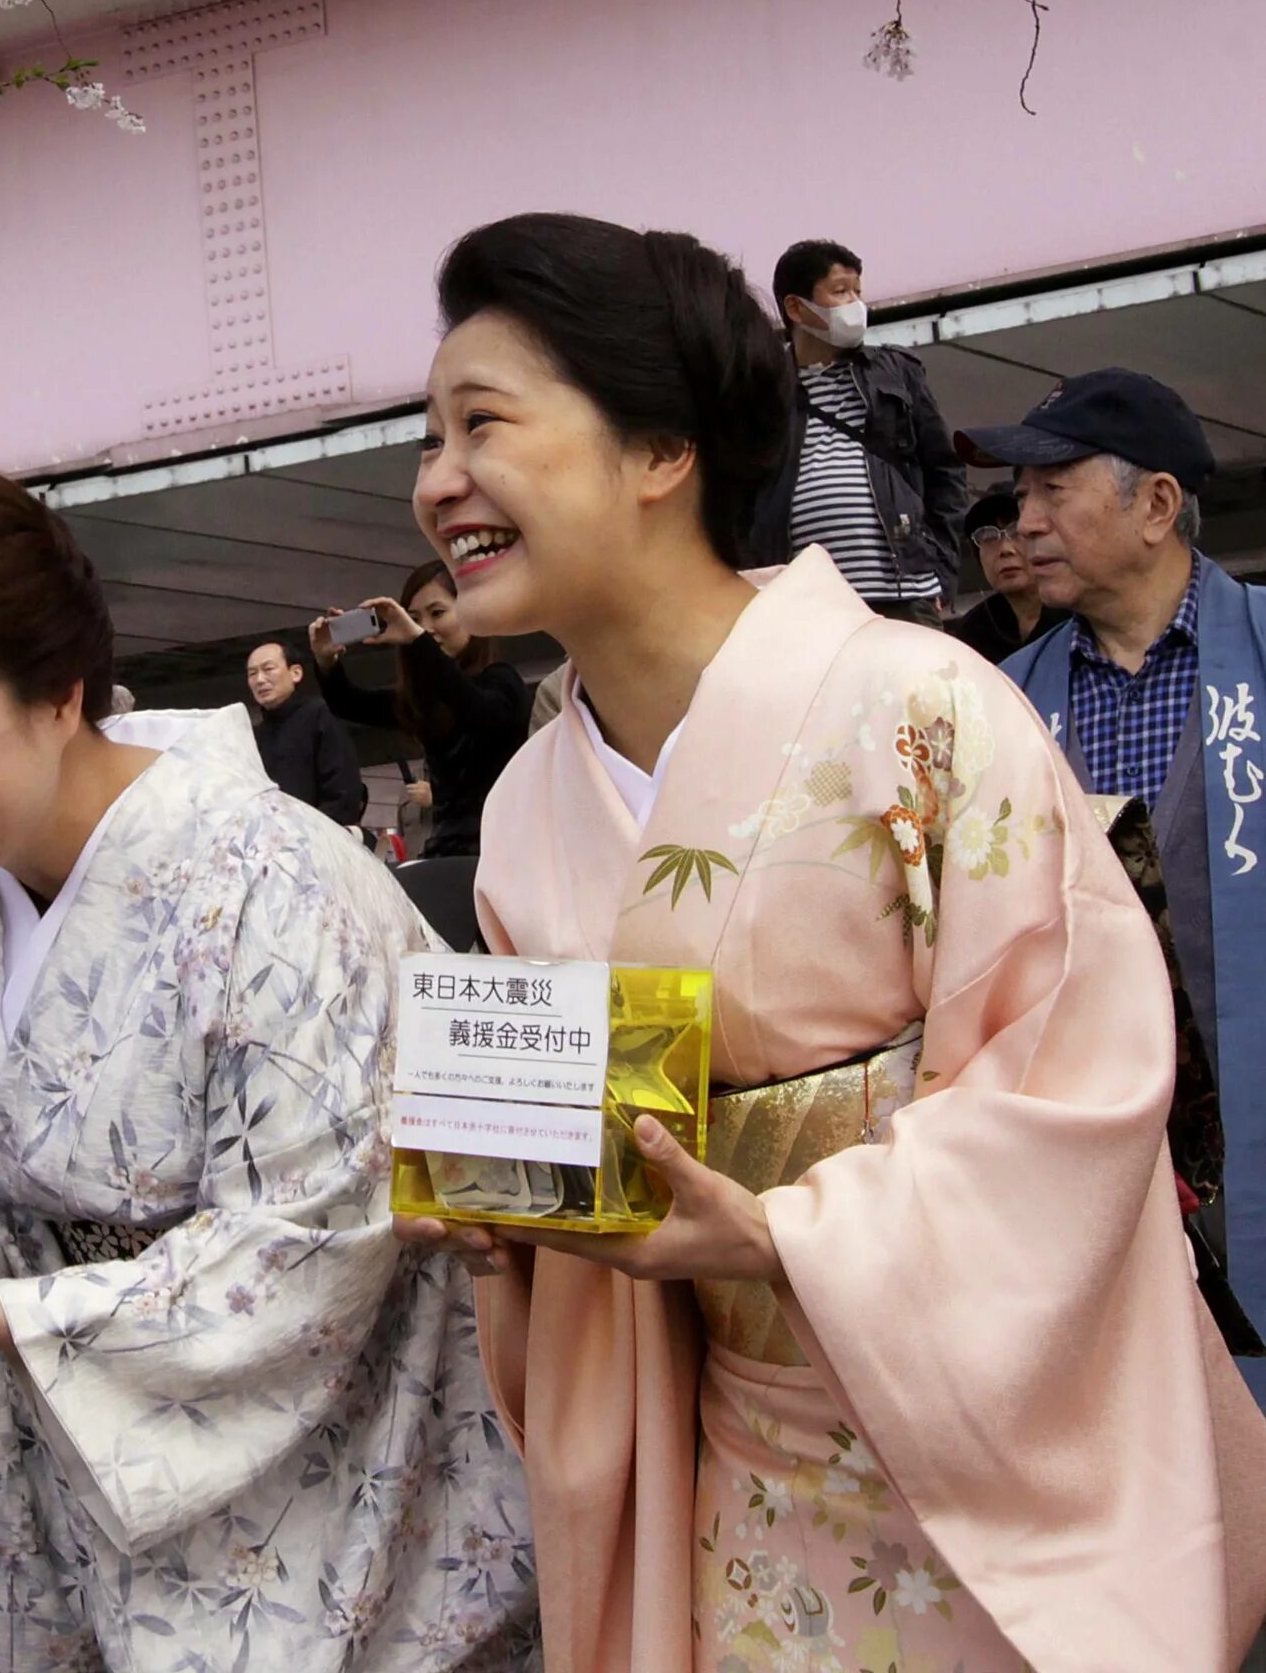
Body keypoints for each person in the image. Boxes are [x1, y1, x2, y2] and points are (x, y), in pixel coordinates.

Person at [395, 212, 1264, 1673]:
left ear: (663, 450)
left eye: (481, 423)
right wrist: (509, 1212)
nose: (436, 483)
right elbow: (587, 1148)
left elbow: (1083, 1082)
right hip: (715, 1443)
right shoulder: (538, 796)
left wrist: (784, 1226)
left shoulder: (922, 707)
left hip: (959, 1466)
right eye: (426, 439)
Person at [0, 466, 537, 1672]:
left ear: (60, 696)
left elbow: (313, 1241)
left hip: (343, 1475)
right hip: (98, 1474)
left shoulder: (273, 882)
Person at [970, 367, 1266, 1409]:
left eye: (1054, 489)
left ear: (1156, 505)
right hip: (1093, 1156)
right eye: (1020, 496)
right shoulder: (995, 705)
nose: (1025, 520)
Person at [748, 237, 967, 617]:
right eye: (840, 291)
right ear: (796, 308)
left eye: (857, 292)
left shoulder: (896, 370)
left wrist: (941, 573)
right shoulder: (763, 391)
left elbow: (944, 472)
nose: (855, 304)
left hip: (905, 591)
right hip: (807, 606)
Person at [311, 562, 530, 857]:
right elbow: (350, 704)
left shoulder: (501, 680)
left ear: (469, 610)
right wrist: (327, 662)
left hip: (508, 849)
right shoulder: (424, 697)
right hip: (447, 852)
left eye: (437, 613)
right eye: (413, 619)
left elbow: (479, 712)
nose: (426, 628)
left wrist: (418, 642)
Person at [244, 635, 370, 828]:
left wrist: (310, 833)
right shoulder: (253, 735)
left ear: (295, 673)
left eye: (268, 669)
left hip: (317, 838)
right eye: (252, 673)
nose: (259, 679)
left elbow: (343, 790)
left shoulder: (320, 714)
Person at [943, 489, 1056, 665]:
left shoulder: (1078, 615)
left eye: (1016, 532)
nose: (1005, 549)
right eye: (987, 536)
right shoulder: (975, 631)